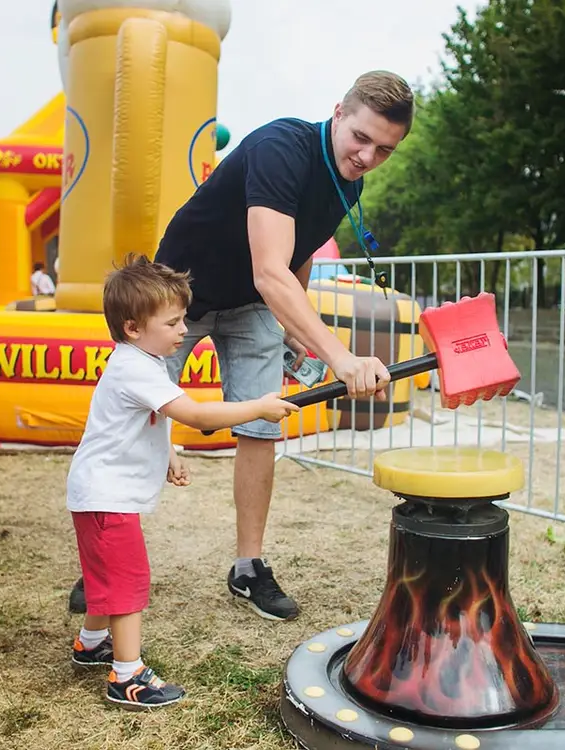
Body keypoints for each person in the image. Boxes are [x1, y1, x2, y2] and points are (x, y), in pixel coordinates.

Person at [152, 70, 415, 622]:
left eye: (385, 150)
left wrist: (302, 340)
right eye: (361, 138)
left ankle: (248, 567)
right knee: (135, 420)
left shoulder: (350, 181)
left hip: (248, 304)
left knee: (261, 426)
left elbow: (298, 261)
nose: (368, 157)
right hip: (177, 290)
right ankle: (100, 560)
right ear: (338, 112)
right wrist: (342, 358)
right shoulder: (281, 147)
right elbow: (270, 272)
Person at [67, 254, 298, 709]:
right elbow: (195, 413)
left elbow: (138, 419)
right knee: (129, 581)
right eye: (173, 323)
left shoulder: (141, 361)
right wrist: (257, 407)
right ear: (134, 327)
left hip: (98, 493)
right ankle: (127, 676)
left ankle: (92, 642)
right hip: (106, 496)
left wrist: (167, 452)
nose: (182, 330)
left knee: (106, 577)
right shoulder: (136, 366)